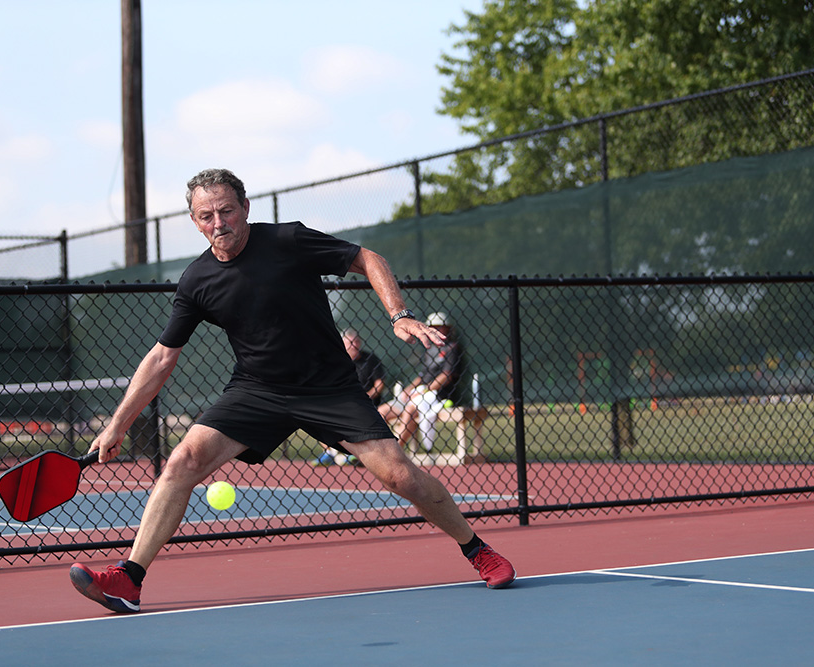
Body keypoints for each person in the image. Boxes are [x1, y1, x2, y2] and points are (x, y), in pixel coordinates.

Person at [69, 168, 516, 613]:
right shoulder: (197, 281)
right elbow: (162, 357)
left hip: (330, 387)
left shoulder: (288, 241)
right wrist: (117, 424)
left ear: (245, 208)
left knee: (399, 475)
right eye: (206, 215)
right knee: (183, 460)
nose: (218, 222)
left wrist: (398, 314)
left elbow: (367, 257)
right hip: (257, 390)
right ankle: (129, 579)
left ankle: (477, 549)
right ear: (194, 221)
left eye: (226, 210)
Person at [379, 312, 465, 453]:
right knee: (382, 412)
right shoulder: (429, 349)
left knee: (410, 410)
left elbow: (446, 376)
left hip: (439, 395)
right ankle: (379, 450)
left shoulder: (452, 348)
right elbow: (422, 376)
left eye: (440, 327)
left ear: (447, 329)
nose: (436, 330)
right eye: (433, 327)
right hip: (420, 393)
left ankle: (393, 452)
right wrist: (410, 388)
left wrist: (424, 390)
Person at [312, 328, 386, 466]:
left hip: (368, 402)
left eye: (356, 342)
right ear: (343, 344)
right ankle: (330, 453)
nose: (354, 345)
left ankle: (353, 453)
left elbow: (380, 384)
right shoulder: (336, 361)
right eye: (350, 343)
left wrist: (367, 396)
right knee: (320, 417)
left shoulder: (370, 359)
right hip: (344, 401)